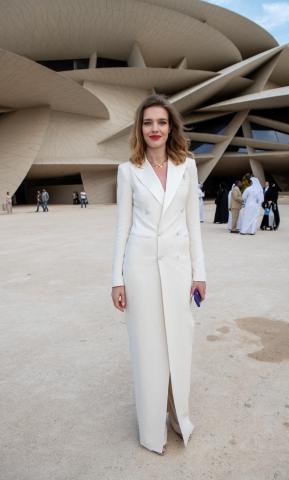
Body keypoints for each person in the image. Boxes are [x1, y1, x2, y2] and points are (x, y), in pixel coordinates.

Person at [111, 94, 206, 456]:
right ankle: (152, 430)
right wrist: (116, 280)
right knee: (148, 349)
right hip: (139, 270)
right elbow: (122, 228)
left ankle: (178, 417)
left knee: (180, 343)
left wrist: (200, 273)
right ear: (140, 127)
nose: (155, 129)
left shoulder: (188, 166)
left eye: (162, 122)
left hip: (179, 267)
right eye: (148, 122)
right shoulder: (127, 171)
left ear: (171, 128)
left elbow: (192, 225)